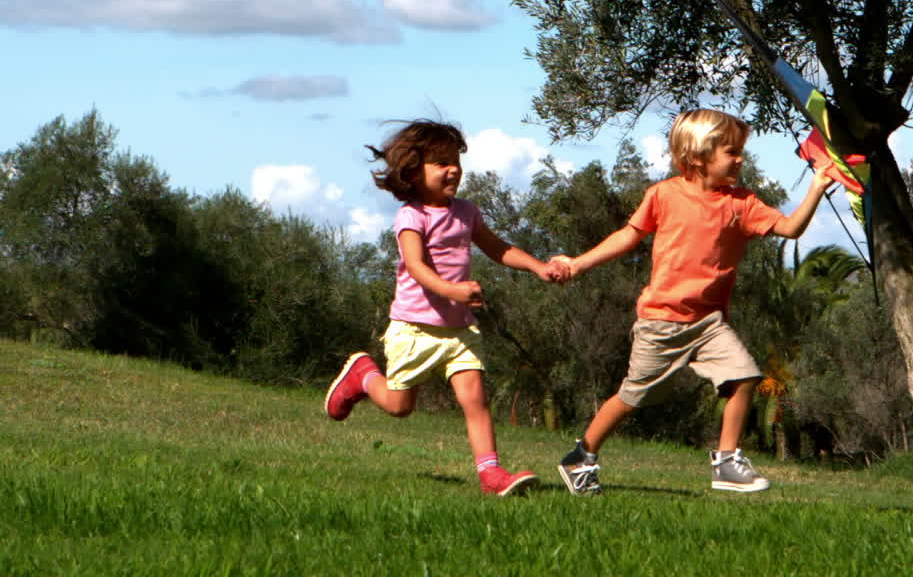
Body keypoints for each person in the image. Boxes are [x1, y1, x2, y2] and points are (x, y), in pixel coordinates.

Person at [552, 108, 833, 495]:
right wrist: (577, 264)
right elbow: (627, 237)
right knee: (632, 397)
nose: (740, 159)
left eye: (740, 152)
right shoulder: (663, 195)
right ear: (698, 156)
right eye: (731, 152)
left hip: (708, 322)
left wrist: (817, 186)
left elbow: (790, 227)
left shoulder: (743, 203)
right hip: (660, 321)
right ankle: (581, 456)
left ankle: (727, 462)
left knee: (745, 377)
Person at [324, 119, 567, 497]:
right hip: (415, 328)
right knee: (399, 406)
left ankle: (491, 475)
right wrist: (453, 290)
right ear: (413, 171)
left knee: (475, 399)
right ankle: (362, 376)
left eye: (455, 160)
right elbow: (417, 268)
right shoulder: (412, 216)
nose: (453, 169)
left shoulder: (466, 211)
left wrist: (538, 266)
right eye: (441, 162)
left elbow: (498, 248)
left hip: (458, 331)